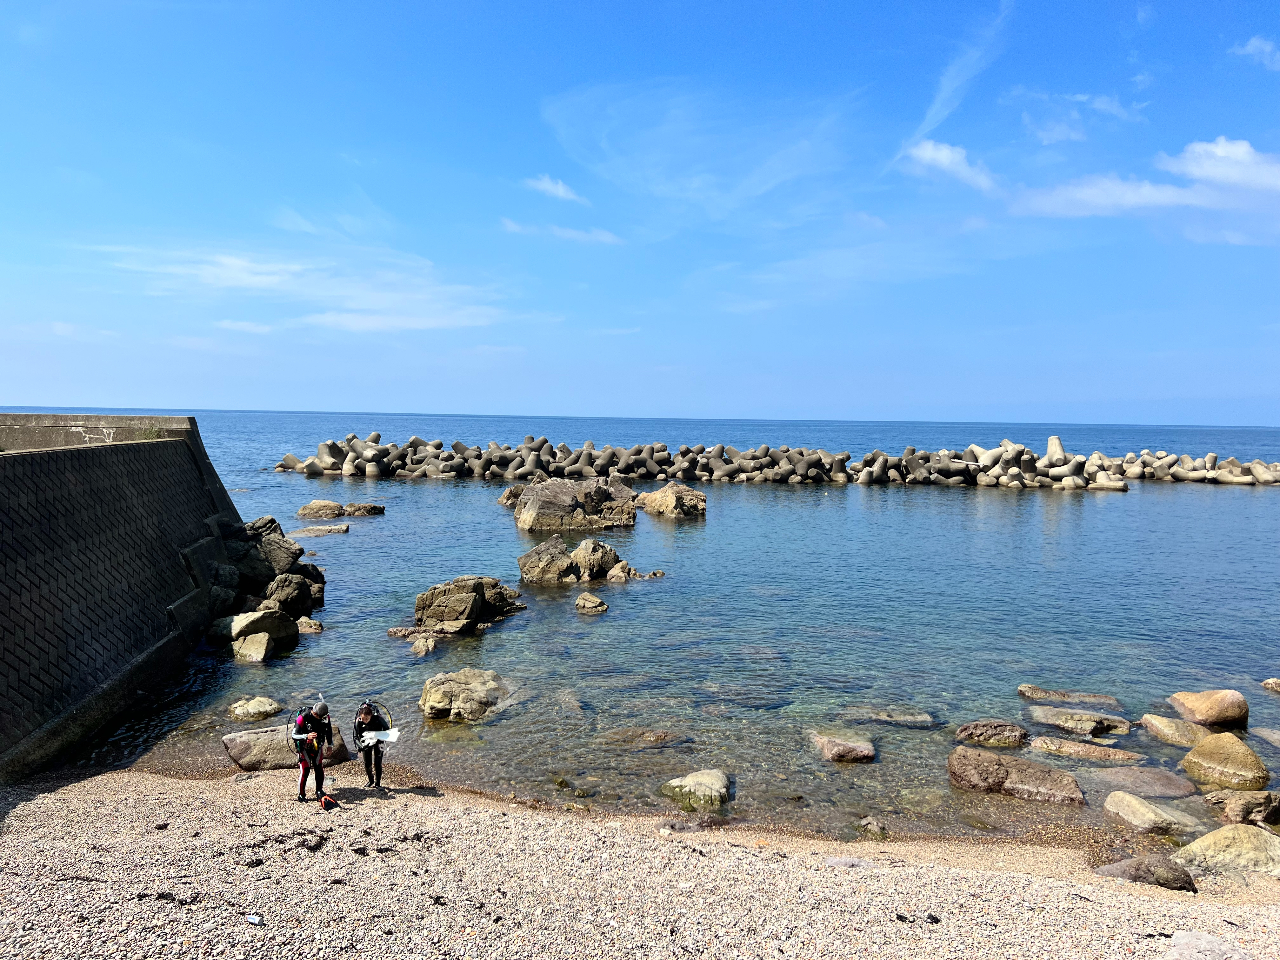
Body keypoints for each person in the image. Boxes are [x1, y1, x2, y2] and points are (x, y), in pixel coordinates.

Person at [292, 701, 333, 801]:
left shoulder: (325, 717)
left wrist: (330, 744)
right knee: (305, 770)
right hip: (304, 747)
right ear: (314, 713)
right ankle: (301, 795)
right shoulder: (303, 717)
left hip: (317, 746)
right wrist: (306, 736)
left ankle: (319, 791)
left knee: (318, 768)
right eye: (319, 717)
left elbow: (329, 730)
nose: (321, 719)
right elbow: (294, 735)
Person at [354, 702, 389, 790]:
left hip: (378, 741)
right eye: (363, 718)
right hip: (366, 742)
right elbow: (355, 737)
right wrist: (360, 746)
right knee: (367, 764)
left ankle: (378, 783)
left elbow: (387, 730)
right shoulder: (358, 721)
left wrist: (379, 737)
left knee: (378, 763)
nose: (365, 720)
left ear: (371, 715)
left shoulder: (378, 719)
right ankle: (370, 781)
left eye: (367, 718)